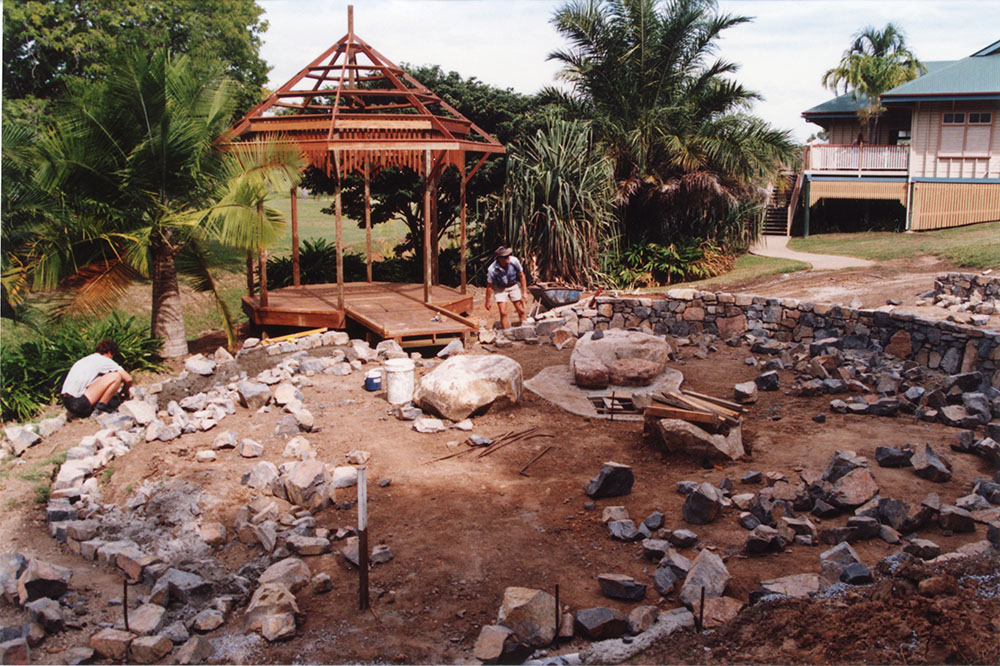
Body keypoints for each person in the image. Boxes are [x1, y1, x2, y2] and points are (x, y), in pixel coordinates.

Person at [60, 340, 132, 418]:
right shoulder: (104, 360)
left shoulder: (85, 360)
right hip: (79, 403)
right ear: (109, 353)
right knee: (116, 376)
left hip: (67, 402)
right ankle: (100, 408)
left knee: (101, 378)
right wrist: (125, 391)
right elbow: (128, 379)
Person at [484, 246, 528, 329]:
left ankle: (525, 330)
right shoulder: (492, 269)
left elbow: (522, 276)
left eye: (508, 256)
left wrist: (524, 292)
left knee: (521, 310)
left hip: (513, 285)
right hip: (500, 288)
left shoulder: (514, 261)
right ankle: (507, 332)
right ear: (499, 258)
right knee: (503, 312)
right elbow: (489, 286)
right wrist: (487, 302)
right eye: (505, 257)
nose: (507, 258)